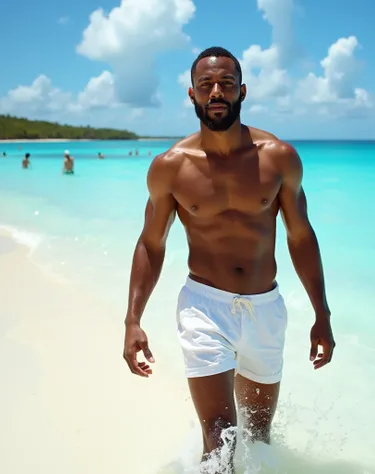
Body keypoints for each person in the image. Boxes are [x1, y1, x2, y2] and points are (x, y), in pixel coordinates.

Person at [122, 46, 335, 473]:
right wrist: (133, 319)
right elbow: (152, 244)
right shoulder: (171, 167)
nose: (216, 92)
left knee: (257, 433)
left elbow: (300, 236)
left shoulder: (278, 158)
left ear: (243, 91)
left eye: (226, 84)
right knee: (220, 434)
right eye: (206, 85)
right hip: (204, 306)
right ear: (192, 94)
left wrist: (322, 313)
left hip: (265, 309)